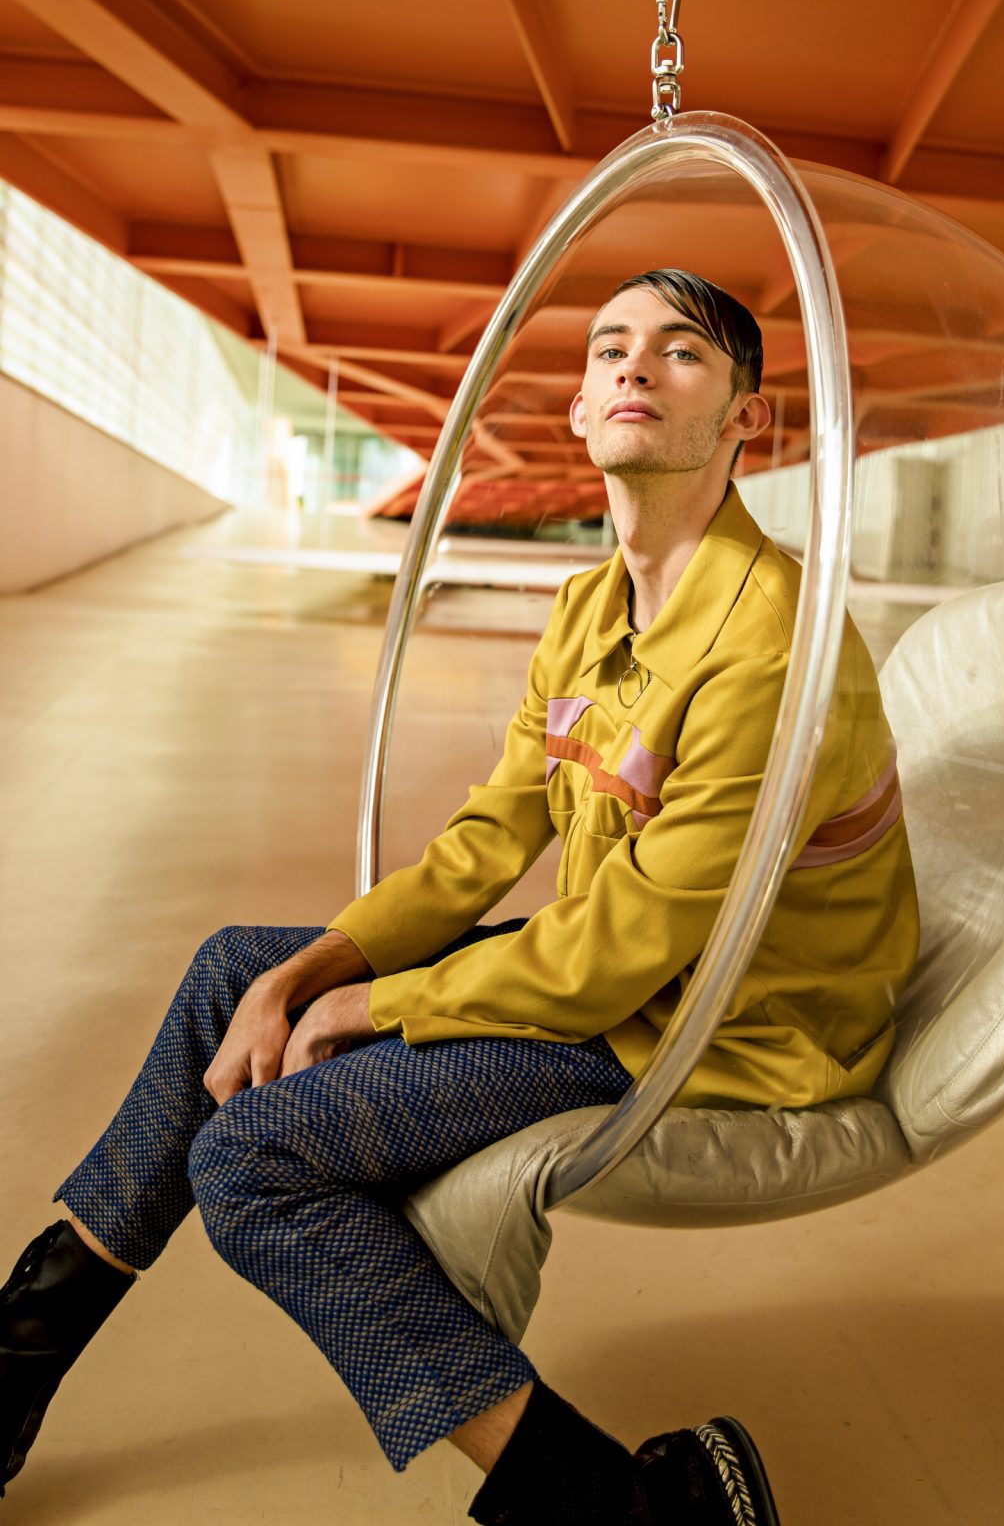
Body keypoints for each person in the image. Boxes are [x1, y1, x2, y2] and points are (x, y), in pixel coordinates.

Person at [1, 269, 919, 1525]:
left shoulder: (771, 643)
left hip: (725, 1025)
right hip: (633, 975)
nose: (633, 366)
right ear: (581, 407)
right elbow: (492, 836)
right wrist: (309, 974)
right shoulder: (591, 607)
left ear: (745, 418)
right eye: (608, 349)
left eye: (681, 352)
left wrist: (374, 1009)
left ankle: (616, 1511)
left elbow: (622, 954)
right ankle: (15, 1359)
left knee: (251, 1162)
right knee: (234, 971)